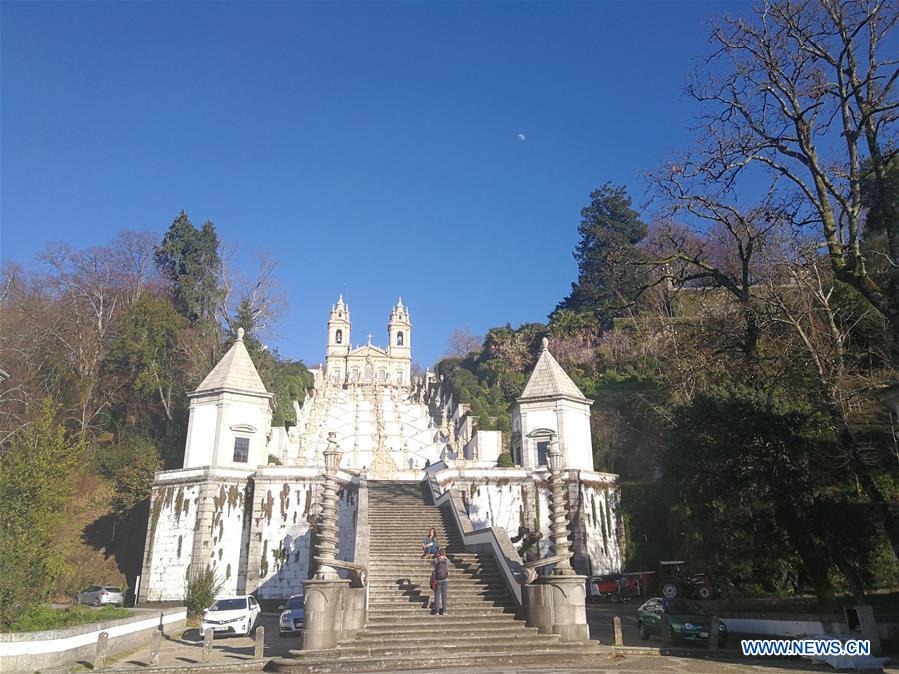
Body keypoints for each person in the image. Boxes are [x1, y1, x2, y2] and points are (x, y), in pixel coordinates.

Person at [431, 548, 449, 615]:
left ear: (439, 553)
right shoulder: (446, 560)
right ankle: (444, 611)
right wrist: (445, 557)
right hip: (445, 579)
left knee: (437, 595)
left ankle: (437, 611)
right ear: (444, 553)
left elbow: (432, 563)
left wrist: (437, 557)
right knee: (444, 595)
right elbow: (449, 564)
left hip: (438, 580)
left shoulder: (436, 560)